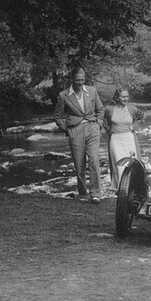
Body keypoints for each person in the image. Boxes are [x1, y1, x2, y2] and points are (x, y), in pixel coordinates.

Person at [53, 66, 106, 203]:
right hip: (75, 130)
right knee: (79, 163)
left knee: (94, 160)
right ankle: (83, 193)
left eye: (82, 80)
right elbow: (58, 116)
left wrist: (98, 124)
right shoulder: (63, 95)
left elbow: (100, 109)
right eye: (77, 80)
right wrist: (67, 129)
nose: (80, 83)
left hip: (92, 128)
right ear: (72, 79)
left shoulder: (92, 91)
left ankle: (95, 193)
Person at [103, 87, 143, 190]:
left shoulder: (132, 109)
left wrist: (134, 127)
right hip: (116, 139)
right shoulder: (109, 109)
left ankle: (133, 187)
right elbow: (101, 118)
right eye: (123, 97)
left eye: (127, 96)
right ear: (117, 98)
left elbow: (141, 116)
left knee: (132, 162)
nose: (125, 99)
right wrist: (108, 129)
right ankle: (120, 188)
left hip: (129, 138)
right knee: (118, 163)